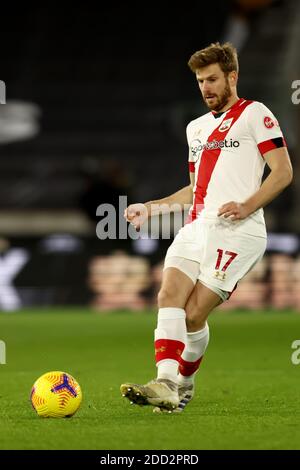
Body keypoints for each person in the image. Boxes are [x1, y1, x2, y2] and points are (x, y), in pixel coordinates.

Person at [120, 42, 293, 413]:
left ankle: (183, 383)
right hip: (196, 227)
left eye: (213, 79)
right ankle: (165, 383)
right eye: (200, 81)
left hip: (239, 231)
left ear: (232, 77)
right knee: (169, 297)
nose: (206, 88)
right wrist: (150, 208)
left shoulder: (255, 115)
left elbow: (283, 172)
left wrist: (247, 205)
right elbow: (196, 189)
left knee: (194, 315)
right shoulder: (195, 129)